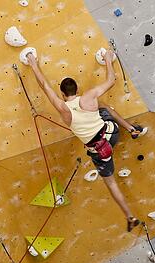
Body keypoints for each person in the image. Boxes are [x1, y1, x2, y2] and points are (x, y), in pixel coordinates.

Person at [26, 50, 147, 232]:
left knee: (111, 182)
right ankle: (131, 129)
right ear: (77, 89)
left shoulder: (62, 108)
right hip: (111, 133)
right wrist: (107, 60)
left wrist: (33, 63)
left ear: (62, 93)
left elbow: (44, 85)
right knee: (105, 107)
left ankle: (129, 216)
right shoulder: (88, 97)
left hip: (100, 150)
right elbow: (111, 81)